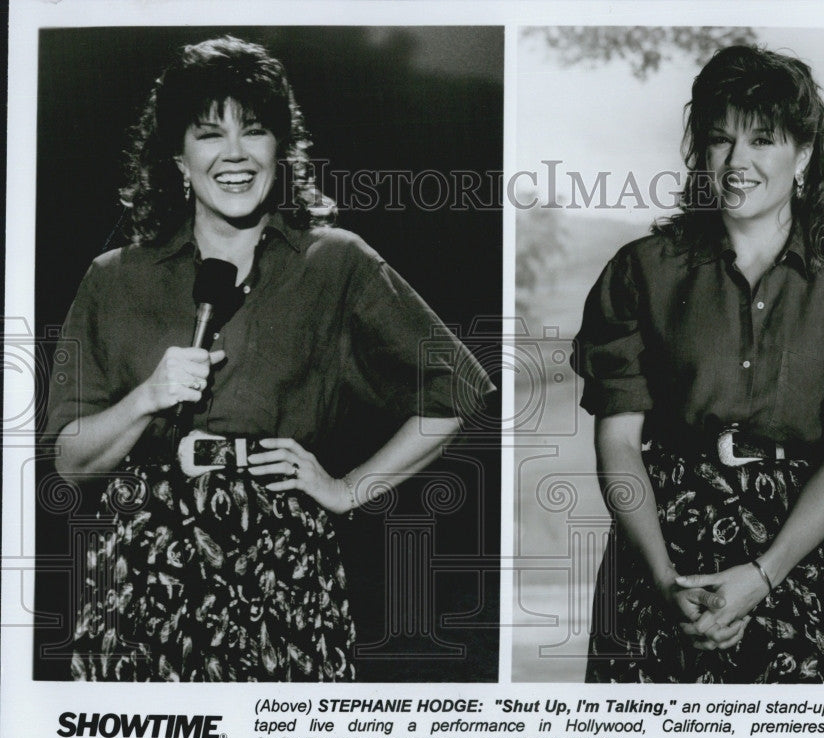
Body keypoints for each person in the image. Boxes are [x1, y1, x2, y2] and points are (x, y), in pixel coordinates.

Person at [46, 36, 493, 681]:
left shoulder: (336, 262)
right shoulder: (114, 278)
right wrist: (147, 396)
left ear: (279, 150)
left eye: (253, 132)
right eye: (208, 134)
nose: (234, 154)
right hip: (146, 573)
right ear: (177, 157)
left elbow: (460, 392)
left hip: (285, 564)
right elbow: (70, 463)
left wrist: (345, 490)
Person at [573, 45, 824, 683]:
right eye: (719, 139)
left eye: (763, 139)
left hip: (800, 553)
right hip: (661, 547)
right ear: (700, 152)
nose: (737, 162)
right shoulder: (640, 272)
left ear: (803, 155)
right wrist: (661, 578)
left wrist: (764, 576)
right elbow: (618, 443)